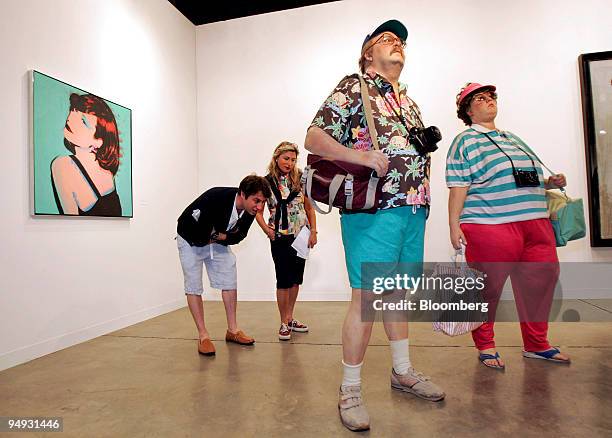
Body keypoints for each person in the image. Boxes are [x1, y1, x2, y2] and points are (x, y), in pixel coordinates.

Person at [305, 19, 444, 432]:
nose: (395, 43)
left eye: (400, 40)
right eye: (385, 39)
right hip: (376, 209)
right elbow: (313, 137)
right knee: (366, 298)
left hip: (413, 208)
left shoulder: (408, 101)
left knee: (397, 296)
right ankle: (350, 389)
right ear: (368, 54)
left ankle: (402, 371)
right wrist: (362, 157)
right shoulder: (354, 86)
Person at [446, 82, 571, 369]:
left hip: (535, 223)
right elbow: (458, 186)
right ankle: (486, 344)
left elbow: (522, 178)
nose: (489, 100)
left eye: (491, 96)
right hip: (490, 225)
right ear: (468, 110)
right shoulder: (465, 141)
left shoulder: (512, 139)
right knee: (487, 290)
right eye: (480, 98)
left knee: (541, 283)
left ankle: (537, 345)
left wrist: (549, 183)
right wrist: (454, 224)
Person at [176, 175, 271, 356]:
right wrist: (219, 235)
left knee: (229, 278)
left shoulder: (251, 211)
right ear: (242, 194)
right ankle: (203, 336)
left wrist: (219, 236)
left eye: (263, 202)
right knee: (194, 286)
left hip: (215, 239)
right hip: (190, 239)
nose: (259, 207)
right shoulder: (217, 197)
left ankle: (233, 331)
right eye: (256, 200)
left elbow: (239, 235)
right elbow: (199, 229)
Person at [255, 142, 318, 341]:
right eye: (286, 159)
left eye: (293, 160)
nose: (289, 163)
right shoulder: (265, 182)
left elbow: (309, 208)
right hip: (280, 236)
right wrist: (267, 230)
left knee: (295, 279)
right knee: (283, 280)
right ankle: (283, 322)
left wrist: (313, 231)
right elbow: (257, 210)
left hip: (301, 235)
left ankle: (290, 318)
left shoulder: (300, 179)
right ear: (276, 158)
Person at [51, 93, 122, 216]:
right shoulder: (106, 172)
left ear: (99, 142)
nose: (70, 118)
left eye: (83, 121)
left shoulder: (63, 165)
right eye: (73, 110)